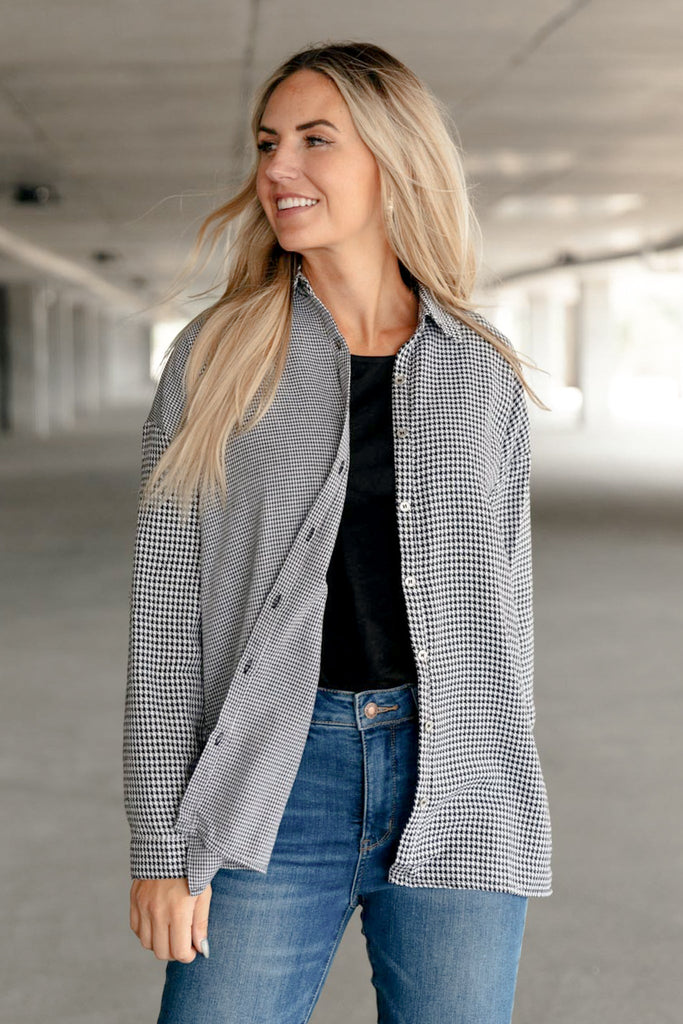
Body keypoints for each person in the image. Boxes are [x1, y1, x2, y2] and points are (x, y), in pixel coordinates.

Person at [123, 39, 553, 1024]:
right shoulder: (215, 359)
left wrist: (503, 781)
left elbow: (507, 613)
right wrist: (160, 843)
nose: (277, 166)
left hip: (460, 777)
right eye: (267, 142)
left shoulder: (478, 368)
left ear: (393, 159)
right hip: (271, 782)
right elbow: (166, 624)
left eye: (315, 140)